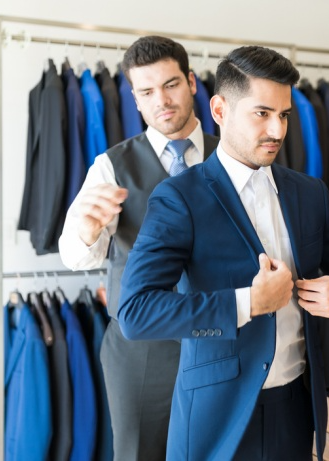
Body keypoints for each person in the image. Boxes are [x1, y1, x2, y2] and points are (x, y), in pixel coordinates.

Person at [118, 45, 329, 461]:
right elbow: (136, 313)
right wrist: (249, 302)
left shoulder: (309, 193)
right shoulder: (179, 198)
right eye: (262, 114)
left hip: (297, 411)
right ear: (220, 110)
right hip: (216, 418)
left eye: (284, 115)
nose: (277, 131)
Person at [59, 35, 220, 461]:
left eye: (170, 86)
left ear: (190, 83)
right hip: (141, 348)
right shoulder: (111, 165)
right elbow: (75, 257)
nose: (161, 101)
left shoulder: (234, 156)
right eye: (146, 92)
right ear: (134, 97)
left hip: (220, 336)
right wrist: (87, 229)